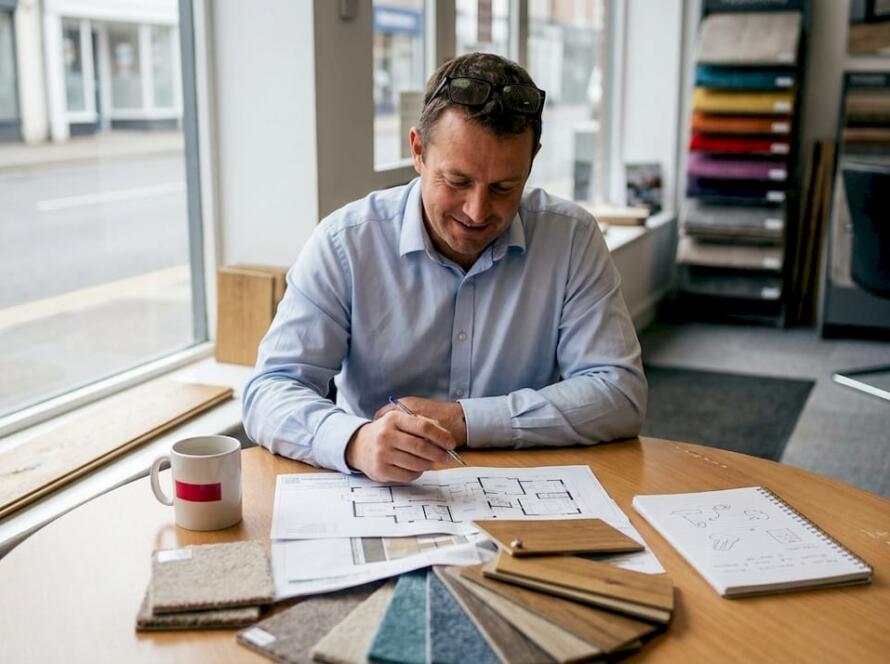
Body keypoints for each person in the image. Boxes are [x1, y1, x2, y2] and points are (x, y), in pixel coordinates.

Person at [243, 52, 646, 483]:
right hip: (381, 489)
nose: (477, 211)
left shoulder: (570, 238)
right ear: (417, 151)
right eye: (457, 182)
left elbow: (618, 392)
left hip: (524, 484)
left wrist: (466, 421)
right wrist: (355, 440)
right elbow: (269, 391)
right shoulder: (346, 242)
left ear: (532, 163)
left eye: (504, 187)